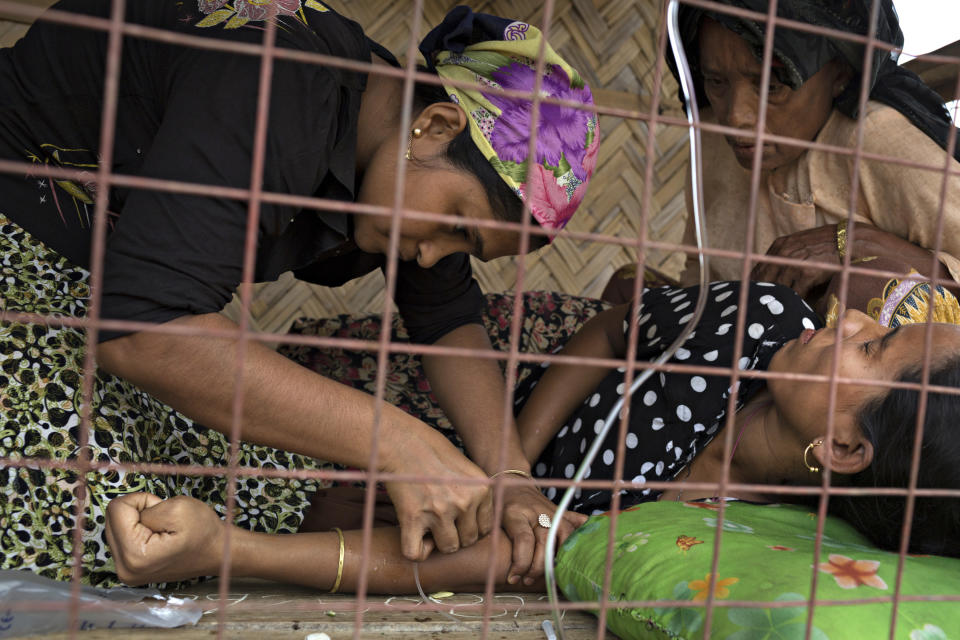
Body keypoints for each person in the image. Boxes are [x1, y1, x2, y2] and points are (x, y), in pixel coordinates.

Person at [0, 1, 599, 585]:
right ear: (437, 124)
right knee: (85, 518)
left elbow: (446, 319)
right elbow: (142, 335)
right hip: (22, 250)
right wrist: (399, 442)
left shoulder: (398, 154)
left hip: (102, 298)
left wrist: (512, 478)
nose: (432, 255)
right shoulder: (281, 87)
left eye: (467, 251)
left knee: (286, 500)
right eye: (458, 226)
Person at [104, 281, 960, 592]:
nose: (844, 316)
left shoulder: (708, 533)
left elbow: (491, 557)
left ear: (847, 452)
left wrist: (234, 552)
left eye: (874, 346)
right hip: (494, 414)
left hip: (468, 499)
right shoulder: (761, 319)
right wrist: (511, 463)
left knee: (339, 509)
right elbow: (608, 332)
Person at [668, 0, 960, 312]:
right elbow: (699, 278)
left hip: (877, 359)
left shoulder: (877, 140)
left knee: (870, 288)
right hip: (729, 352)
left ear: (840, 75)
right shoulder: (712, 136)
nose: (736, 116)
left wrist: (858, 244)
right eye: (716, 82)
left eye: (771, 86)